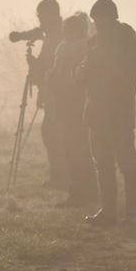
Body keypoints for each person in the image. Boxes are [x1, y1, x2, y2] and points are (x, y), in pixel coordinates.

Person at [79, 0, 136, 226]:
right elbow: (83, 72)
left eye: (100, 19)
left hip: (119, 110)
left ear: (111, 17)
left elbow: (125, 72)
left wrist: (97, 62)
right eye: (95, 20)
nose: (97, 24)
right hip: (96, 109)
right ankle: (108, 210)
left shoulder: (128, 40)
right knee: (102, 162)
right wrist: (83, 71)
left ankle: (132, 211)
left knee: (126, 160)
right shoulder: (95, 42)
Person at [10, 0, 67, 188]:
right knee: (52, 133)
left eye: (41, 15)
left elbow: (49, 67)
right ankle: (60, 175)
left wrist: (33, 65)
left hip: (58, 94)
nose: (40, 19)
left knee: (52, 133)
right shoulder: (55, 32)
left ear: (50, 15)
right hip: (55, 92)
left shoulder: (57, 36)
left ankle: (60, 176)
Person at [48, 12, 98, 206]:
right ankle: (90, 190)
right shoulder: (88, 47)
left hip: (70, 105)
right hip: (81, 104)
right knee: (83, 149)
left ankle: (78, 193)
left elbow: (65, 78)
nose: (63, 32)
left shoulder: (68, 50)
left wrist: (52, 79)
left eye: (66, 29)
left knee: (74, 150)